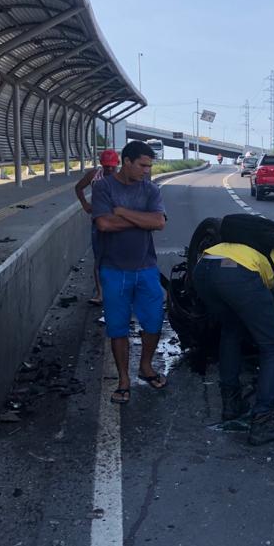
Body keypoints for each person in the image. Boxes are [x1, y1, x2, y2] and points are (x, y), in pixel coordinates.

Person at [192, 231, 274, 446]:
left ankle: (231, 404)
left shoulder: (273, 251)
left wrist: (273, 331)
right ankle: (263, 422)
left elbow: (260, 315)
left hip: (204, 266)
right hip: (237, 275)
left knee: (232, 331)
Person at [91, 141, 167, 404]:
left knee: (155, 321)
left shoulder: (151, 190)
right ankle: (123, 379)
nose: (146, 171)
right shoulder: (103, 187)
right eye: (142, 165)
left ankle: (145, 367)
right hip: (113, 269)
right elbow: (103, 224)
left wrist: (122, 212)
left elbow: (158, 222)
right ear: (126, 161)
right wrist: (140, 220)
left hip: (146, 268)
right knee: (117, 327)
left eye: (149, 166)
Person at [76, 149, 120, 305]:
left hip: (117, 222)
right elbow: (78, 187)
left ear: (118, 164)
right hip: (98, 221)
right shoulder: (94, 175)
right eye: (106, 166)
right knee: (99, 257)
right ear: (102, 164)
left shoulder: (122, 178)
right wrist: (85, 204)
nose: (109, 169)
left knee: (118, 257)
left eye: (112, 166)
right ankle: (100, 294)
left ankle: (117, 291)